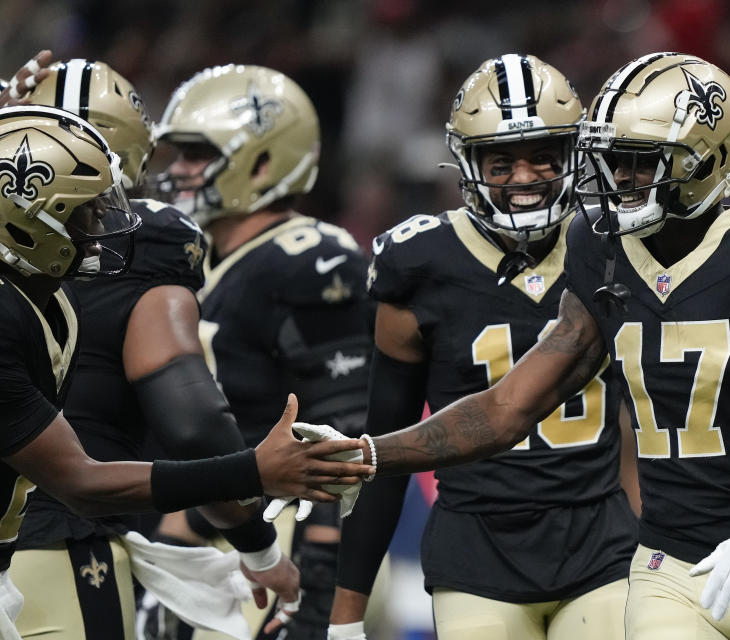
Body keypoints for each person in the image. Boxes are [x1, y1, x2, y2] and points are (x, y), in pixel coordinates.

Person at [333, 52, 730, 639]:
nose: (617, 179)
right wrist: (366, 453)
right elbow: (506, 409)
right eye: (610, 160)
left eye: (637, 162)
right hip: (664, 564)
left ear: (707, 162)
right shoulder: (599, 248)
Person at [0, 104, 369, 636]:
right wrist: (255, 478)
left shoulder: (39, 299)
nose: (101, 224)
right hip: (64, 543)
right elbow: (85, 478)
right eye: (83, 208)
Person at [326, 53, 640, 640]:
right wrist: (346, 616)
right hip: (476, 554)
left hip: (600, 544)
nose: (523, 177)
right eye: (502, 162)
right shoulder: (417, 264)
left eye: (543, 157)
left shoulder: (616, 246)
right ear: (469, 165)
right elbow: (388, 449)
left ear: (573, 156)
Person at [152, 64, 373, 639]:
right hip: (226, 533)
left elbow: (344, 429)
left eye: (195, 155)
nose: (177, 171)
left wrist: (324, 572)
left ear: (264, 160)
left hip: (295, 537)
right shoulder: (197, 261)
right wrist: (179, 539)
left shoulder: (311, 256)